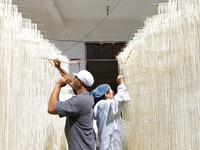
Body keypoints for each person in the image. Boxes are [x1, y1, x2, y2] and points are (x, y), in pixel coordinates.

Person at [48, 58, 96, 150]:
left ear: (80, 83)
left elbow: (52, 108)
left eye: (76, 78)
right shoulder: (88, 95)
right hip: (86, 145)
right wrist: (59, 67)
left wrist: (58, 86)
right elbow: (70, 81)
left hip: (81, 147)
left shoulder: (78, 101)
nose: (73, 79)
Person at [93, 75, 131, 150]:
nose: (113, 91)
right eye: (110, 90)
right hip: (110, 145)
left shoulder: (101, 106)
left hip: (108, 144)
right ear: (106, 94)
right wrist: (121, 83)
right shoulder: (105, 105)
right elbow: (123, 99)